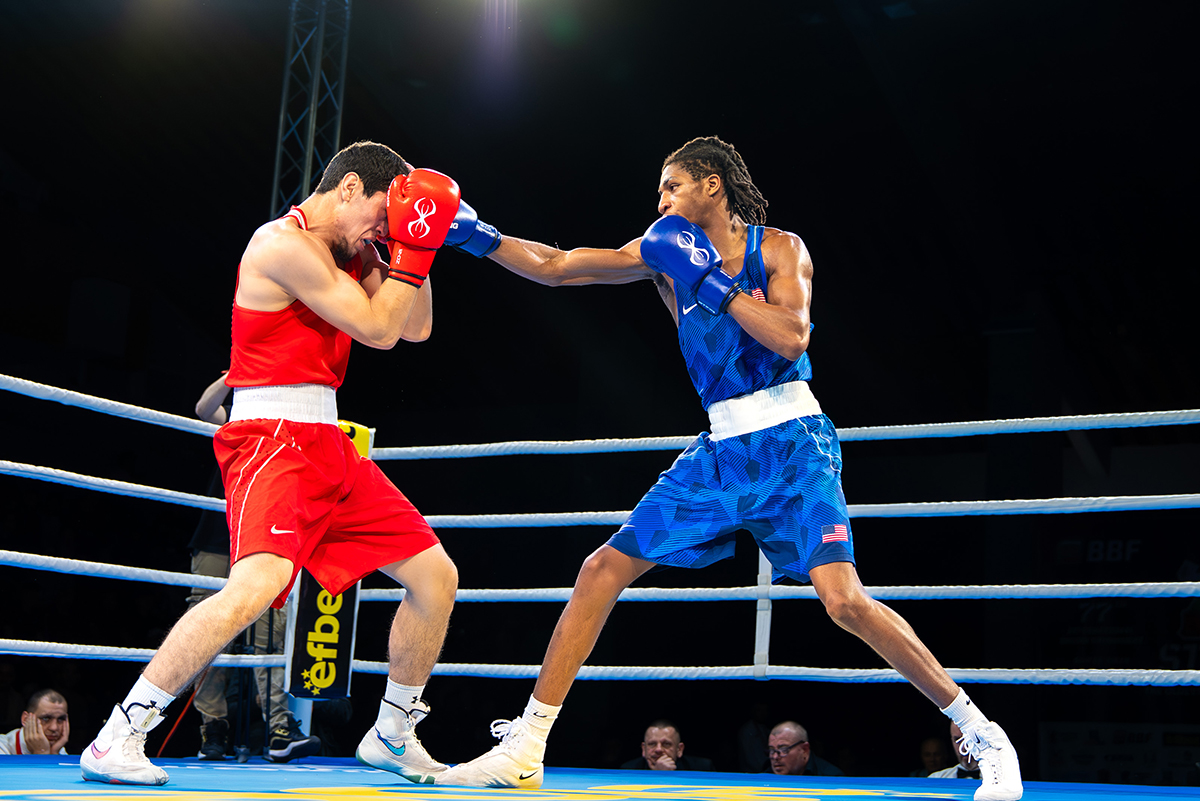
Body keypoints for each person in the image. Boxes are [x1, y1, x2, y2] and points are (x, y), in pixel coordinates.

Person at [434, 136, 1024, 801]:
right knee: (602, 567)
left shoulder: (780, 249)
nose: (660, 201)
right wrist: (475, 236)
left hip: (793, 443)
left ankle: (980, 731)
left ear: (712, 185)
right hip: (720, 452)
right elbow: (560, 264)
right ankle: (526, 745)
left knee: (844, 601)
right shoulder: (661, 255)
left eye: (672, 186)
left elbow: (793, 336)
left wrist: (711, 286)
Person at [80, 141, 474, 786]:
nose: (384, 227)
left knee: (435, 577)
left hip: (326, 438)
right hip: (270, 437)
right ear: (348, 187)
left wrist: (415, 246)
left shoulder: (359, 249)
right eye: (382, 211)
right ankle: (121, 733)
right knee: (255, 587)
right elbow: (376, 331)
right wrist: (410, 250)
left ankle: (394, 735)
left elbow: (414, 329)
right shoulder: (280, 244)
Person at [187, 372, 320, 762]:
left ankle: (279, 726)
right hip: (217, 537)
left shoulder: (296, 428)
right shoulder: (240, 419)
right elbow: (203, 409)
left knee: (270, 631)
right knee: (207, 629)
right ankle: (213, 728)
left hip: (266, 534)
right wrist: (235, 373)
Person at [619, 720, 712, 772]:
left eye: (666, 744)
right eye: (652, 744)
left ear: (679, 749)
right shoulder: (628, 770)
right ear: (644, 749)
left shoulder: (703, 768)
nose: (658, 749)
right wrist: (656, 775)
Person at [1, 689, 69, 755]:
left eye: (60, 719)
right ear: (25, 719)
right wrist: (41, 752)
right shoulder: (3, 746)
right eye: (45, 718)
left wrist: (54, 754)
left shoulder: (57, 748)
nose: (54, 727)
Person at [766, 720, 842, 777]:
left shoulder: (831, 778)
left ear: (804, 750)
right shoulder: (765, 778)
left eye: (783, 749)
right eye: (772, 750)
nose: (775, 757)